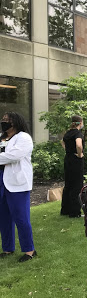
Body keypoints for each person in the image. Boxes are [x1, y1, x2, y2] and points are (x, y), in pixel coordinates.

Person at [0, 112, 36, 262]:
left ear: (16, 122)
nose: (4, 122)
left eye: (7, 120)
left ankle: (29, 250)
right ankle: (8, 248)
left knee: (21, 218)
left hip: (17, 182)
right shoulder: (2, 138)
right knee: (4, 217)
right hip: (1, 180)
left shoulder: (23, 138)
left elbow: (14, 156)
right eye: (3, 120)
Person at [61, 115, 85, 218]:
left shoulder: (68, 133)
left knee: (68, 185)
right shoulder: (78, 133)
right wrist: (79, 154)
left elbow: (62, 141)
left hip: (68, 159)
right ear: (80, 123)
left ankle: (65, 210)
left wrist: (68, 150)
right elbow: (79, 145)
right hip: (76, 161)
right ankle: (75, 212)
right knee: (77, 185)